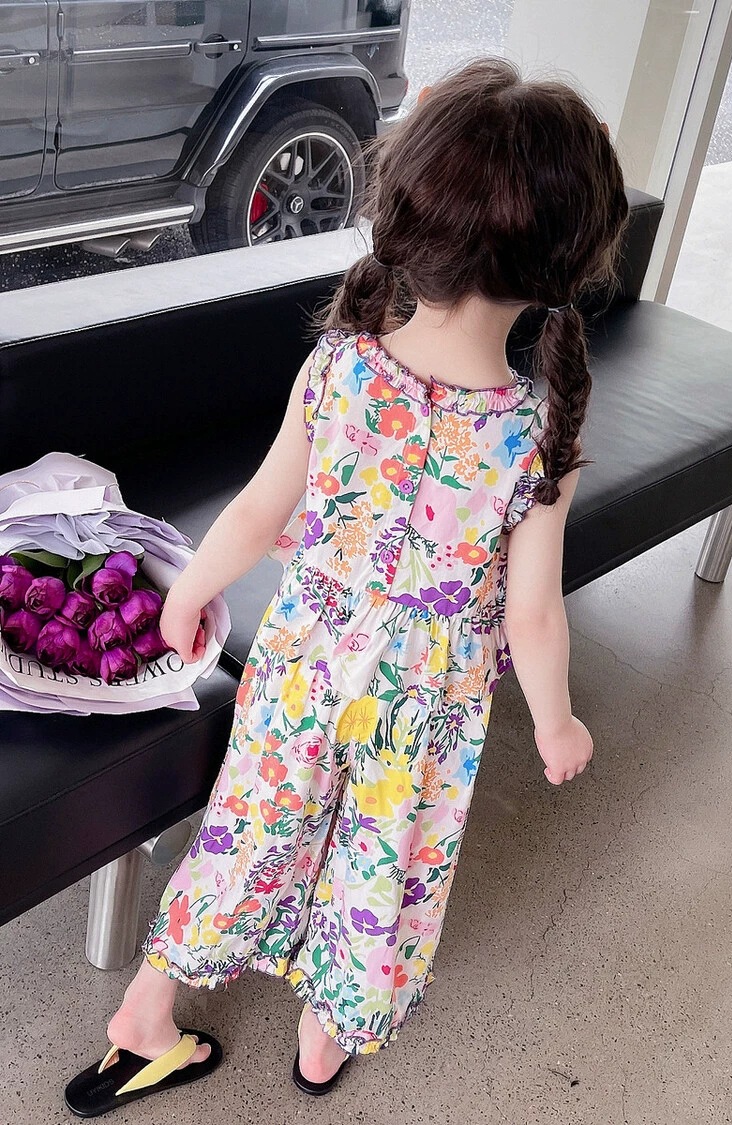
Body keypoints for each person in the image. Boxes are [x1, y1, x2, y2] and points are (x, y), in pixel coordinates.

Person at [64, 56, 629, 1116]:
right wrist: (556, 723)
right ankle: (324, 1041)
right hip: (426, 708)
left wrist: (189, 592)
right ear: (565, 259)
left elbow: (255, 511)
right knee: (384, 866)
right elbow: (534, 613)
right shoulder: (534, 429)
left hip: (302, 667)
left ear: (406, 214)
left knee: (251, 830)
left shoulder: (341, 364)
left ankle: (146, 1012)